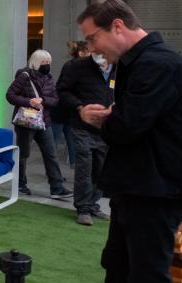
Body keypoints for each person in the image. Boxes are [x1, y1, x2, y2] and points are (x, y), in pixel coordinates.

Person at [68, 2, 182, 283]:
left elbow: (128, 126)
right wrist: (111, 117)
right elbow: (134, 120)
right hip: (135, 185)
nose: (92, 48)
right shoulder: (136, 63)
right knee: (118, 266)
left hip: (157, 190)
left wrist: (100, 121)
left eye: (94, 38)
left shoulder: (158, 65)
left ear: (118, 27)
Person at [57, 48, 114, 226]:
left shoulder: (119, 67)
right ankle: (82, 208)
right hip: (81, 126)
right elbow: (62, 91)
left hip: (107, 129)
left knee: (102, 168)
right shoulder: (76, 67)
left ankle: (92, 204)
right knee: (84, 167)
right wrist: (80, 107)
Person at [6, 49, 73, 199]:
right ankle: (20, 184)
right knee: (23, 154)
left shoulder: (49, 78)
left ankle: (57, 187)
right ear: (36, 62)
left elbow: (55, 99)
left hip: (44, 121)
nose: (47, 65)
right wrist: (29, 101)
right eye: (44, 62)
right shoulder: (24, 76)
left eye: (49, 62)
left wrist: (42, 100)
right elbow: (10, 95)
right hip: (25, 122)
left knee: (51, 154)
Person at [51, 41, 90, 168]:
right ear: (81, 52)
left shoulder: (83, 67)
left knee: (71, 142)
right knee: (55, 142)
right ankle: (54, 171)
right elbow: (62, 89)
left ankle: (75, 168)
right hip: (61, 111)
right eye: (88, 50)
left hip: (70, 112)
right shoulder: (72, 66)